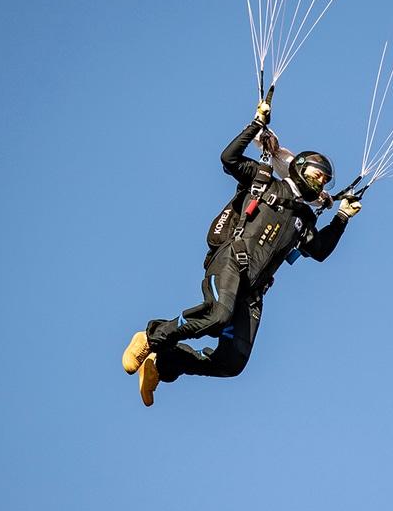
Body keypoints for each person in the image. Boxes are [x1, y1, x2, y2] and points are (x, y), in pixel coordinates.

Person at [120, 98, 362, 405]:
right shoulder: (265, 183)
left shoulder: (305, 220)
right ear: (300, 169)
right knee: (219, 316)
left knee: (232, 363)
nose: (321, 182)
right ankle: (151, 337)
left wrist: (341, 218)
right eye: (317, 175)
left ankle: (165, 364)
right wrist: (256, 125)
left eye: (325, 180)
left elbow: (320, 250)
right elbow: (229, 158)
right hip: (231, 262)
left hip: (252, 292)